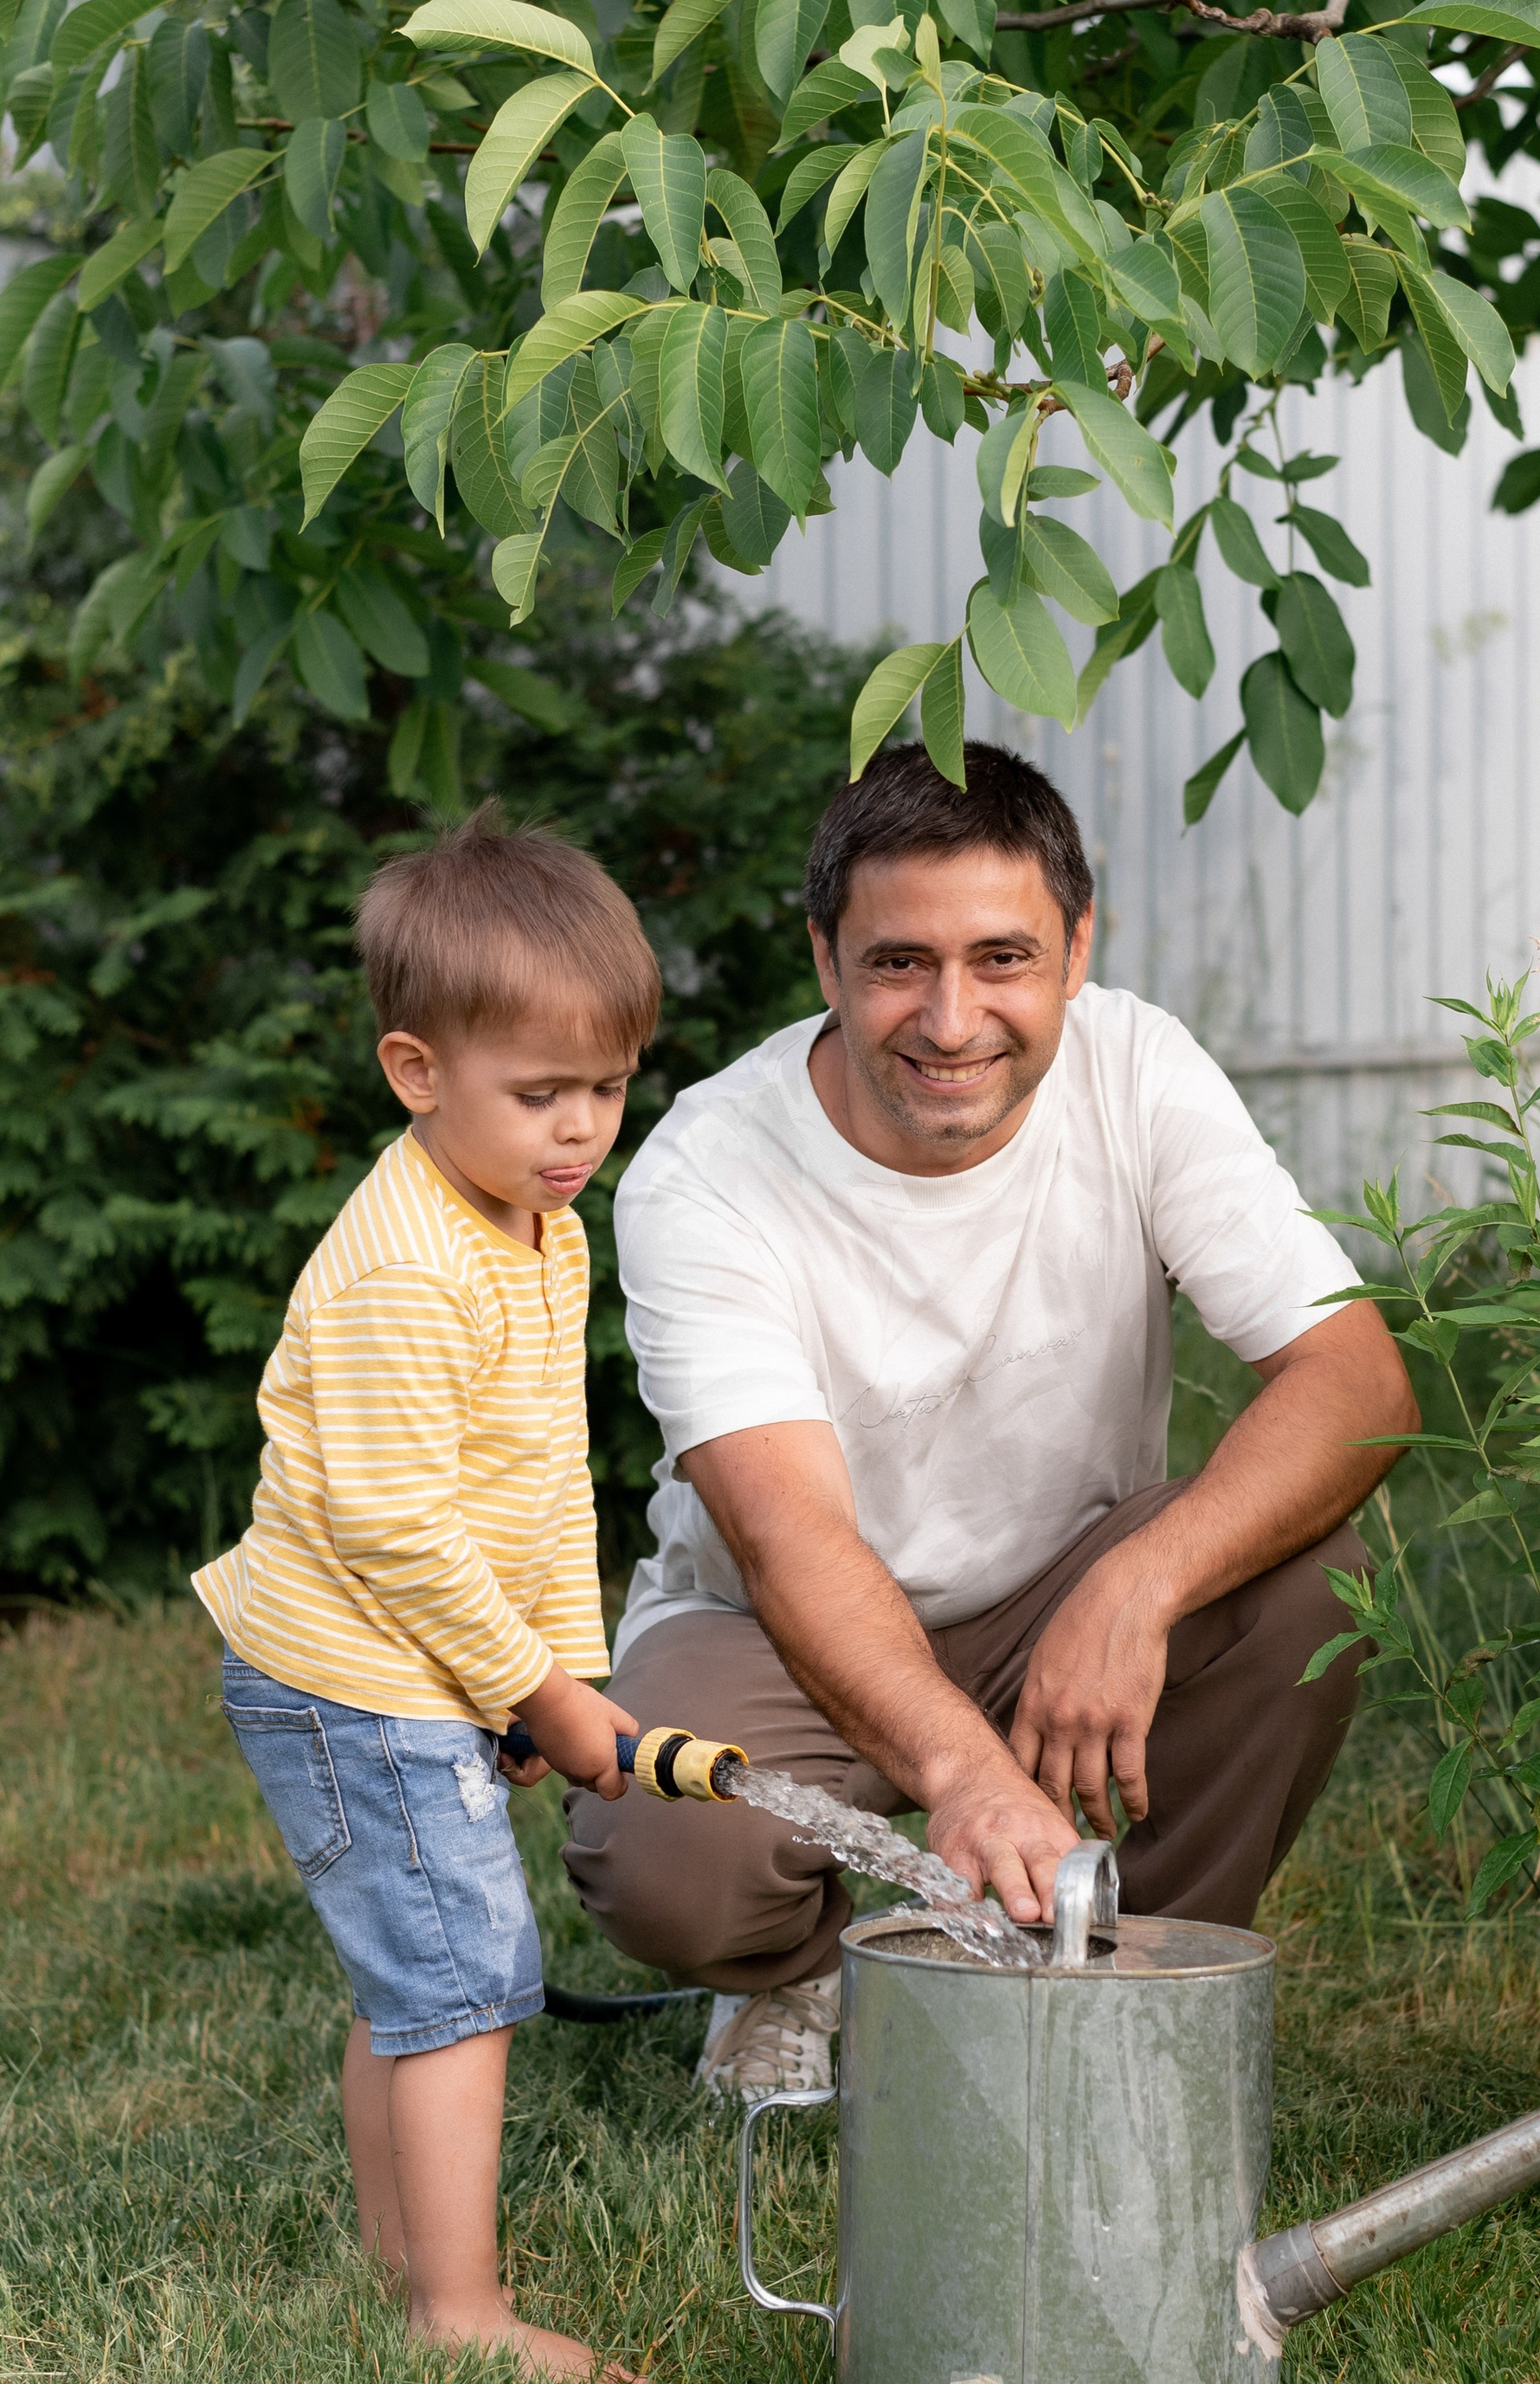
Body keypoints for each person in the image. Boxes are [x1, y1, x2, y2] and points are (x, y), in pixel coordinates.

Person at [566, 742, 1414, 2098]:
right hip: (776, 1627)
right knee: (670, 1861)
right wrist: (962, 1768)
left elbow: (1357, 1384)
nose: (952, 1020)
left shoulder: (1140, 1072)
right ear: (825, 961)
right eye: (899, 962)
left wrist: (1137, 1586)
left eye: (1002, 959)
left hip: (1059, 1590)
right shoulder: (708, 1170)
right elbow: (789, 1541)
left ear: (1078, 949)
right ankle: (796, 1972)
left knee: (1311, 1582)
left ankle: (1128, 1981)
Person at [195, 805, 654, 2384]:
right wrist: (533, 1690)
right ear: (416, 1071)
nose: (581, 1128)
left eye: (608, 1086)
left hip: (417, 1663)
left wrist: (558, 1669)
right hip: (351, 1674)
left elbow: (540, 1474)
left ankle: (406, 2265)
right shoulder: (408, 1265)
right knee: (466, 1984)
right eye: (540, 1093)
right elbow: (393, 1529)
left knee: (422, 1971)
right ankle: (458, 2315)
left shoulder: (539, 1223)